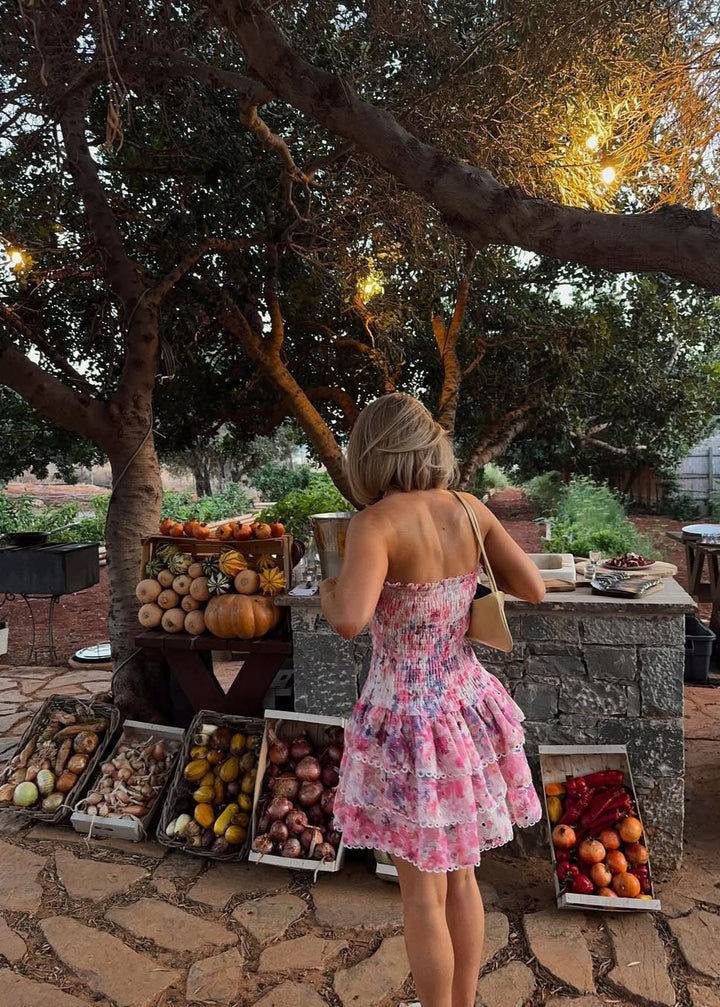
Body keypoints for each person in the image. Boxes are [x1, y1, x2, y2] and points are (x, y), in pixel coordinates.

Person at [320, 393, 546, 1007]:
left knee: (422, 894)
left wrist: (327, 589)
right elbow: (532, 586)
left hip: (407, 723)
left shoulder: (375, 523)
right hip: (467, 705)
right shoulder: (471, 510)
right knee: (465, 881)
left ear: (368, 454)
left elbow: (349, 620)